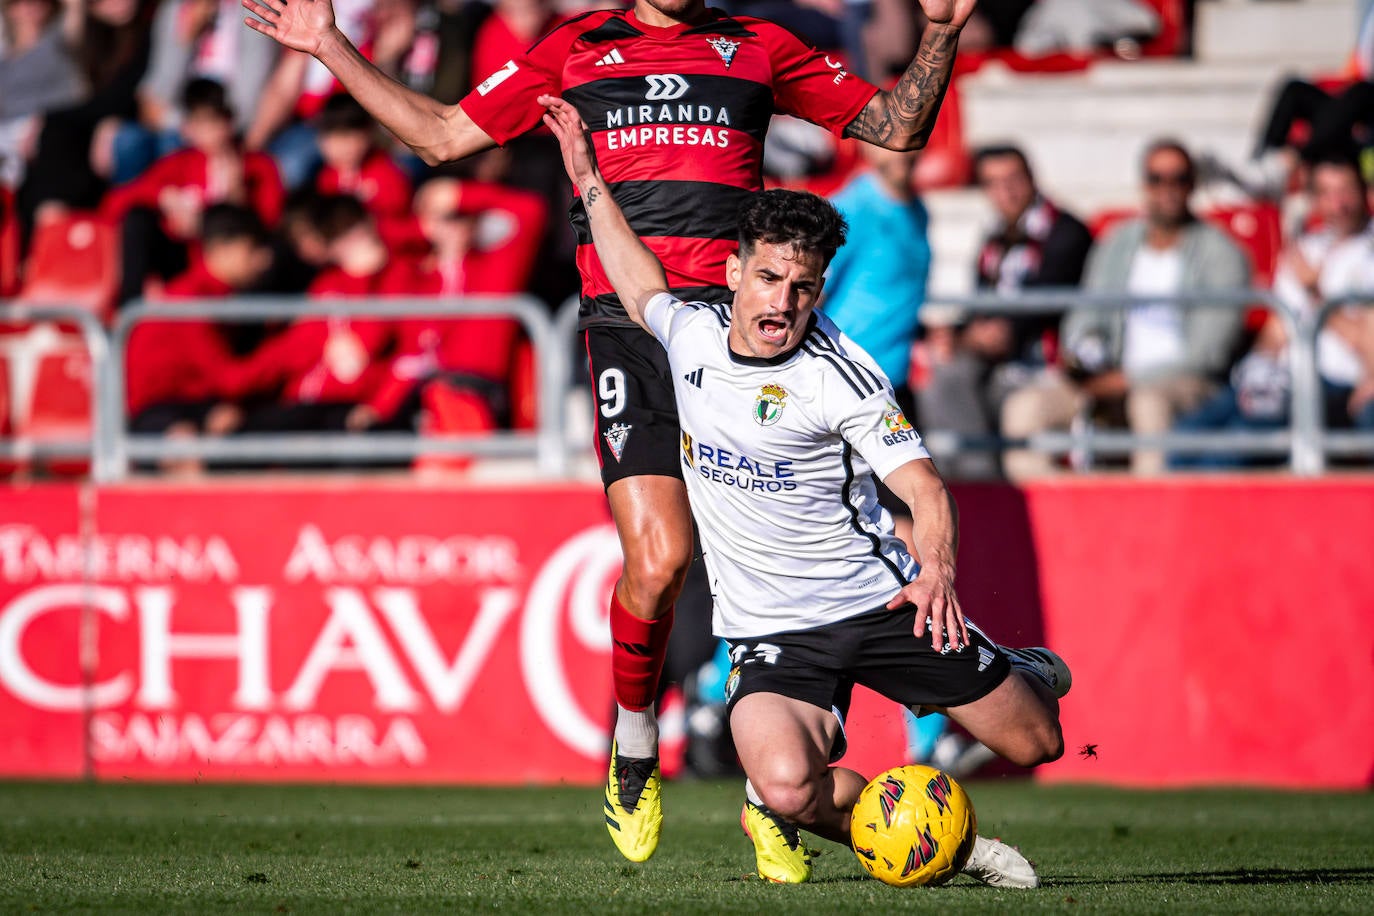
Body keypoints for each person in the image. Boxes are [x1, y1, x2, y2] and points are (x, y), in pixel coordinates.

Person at [243, 0, 978, 865]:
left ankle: (772, 782)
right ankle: (634, 745)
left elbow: (893, 127)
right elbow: (442, 137)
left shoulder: (756, 47)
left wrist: (940, 30)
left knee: (786, 550)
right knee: (660, 560)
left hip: (748, 338)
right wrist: (329, 44)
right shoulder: (576, 48)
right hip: (631, 327)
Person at [543, 93, 1068, 886]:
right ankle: (956, 851)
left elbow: (923, 488)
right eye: (769, 278)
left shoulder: (842, 377)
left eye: (803, 286)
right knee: (790, 788)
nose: (782, 302)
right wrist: (587, 179)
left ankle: (1019, 666)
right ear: (734, 273)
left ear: (820, 289)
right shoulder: (689, 333)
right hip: (772, 630)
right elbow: (635, 273)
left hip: (881, 602)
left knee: (1038, 744)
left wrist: (938, 572)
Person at [1000, 139, 1251, 478]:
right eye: (1157, 178)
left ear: (1192, 184)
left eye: (1178, 178)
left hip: (1184, 383)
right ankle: (1057, 525)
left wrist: (1126, 380)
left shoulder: (1222, 252)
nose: (1168, 188)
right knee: (1024, 410)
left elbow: (1207, 354)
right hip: (1109, 376)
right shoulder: (1119, 242)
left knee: (1148, 404)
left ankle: (1149, 524)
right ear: (1144, 185)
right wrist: (1085, 358)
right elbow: (1085, 314)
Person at [918, 144, 1092, 479]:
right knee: (941, 377)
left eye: (1014, 179)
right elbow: (982, 310)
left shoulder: (1067, 232)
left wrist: (989, 335)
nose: (1006, 191)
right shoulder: (994, 239)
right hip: (1002, 367)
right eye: (994, 183)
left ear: (1032, 178)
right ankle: (971, 490)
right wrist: (954, 335)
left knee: (994, 399)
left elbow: (1037, 309)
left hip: (1052, 371)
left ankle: (981, 490)